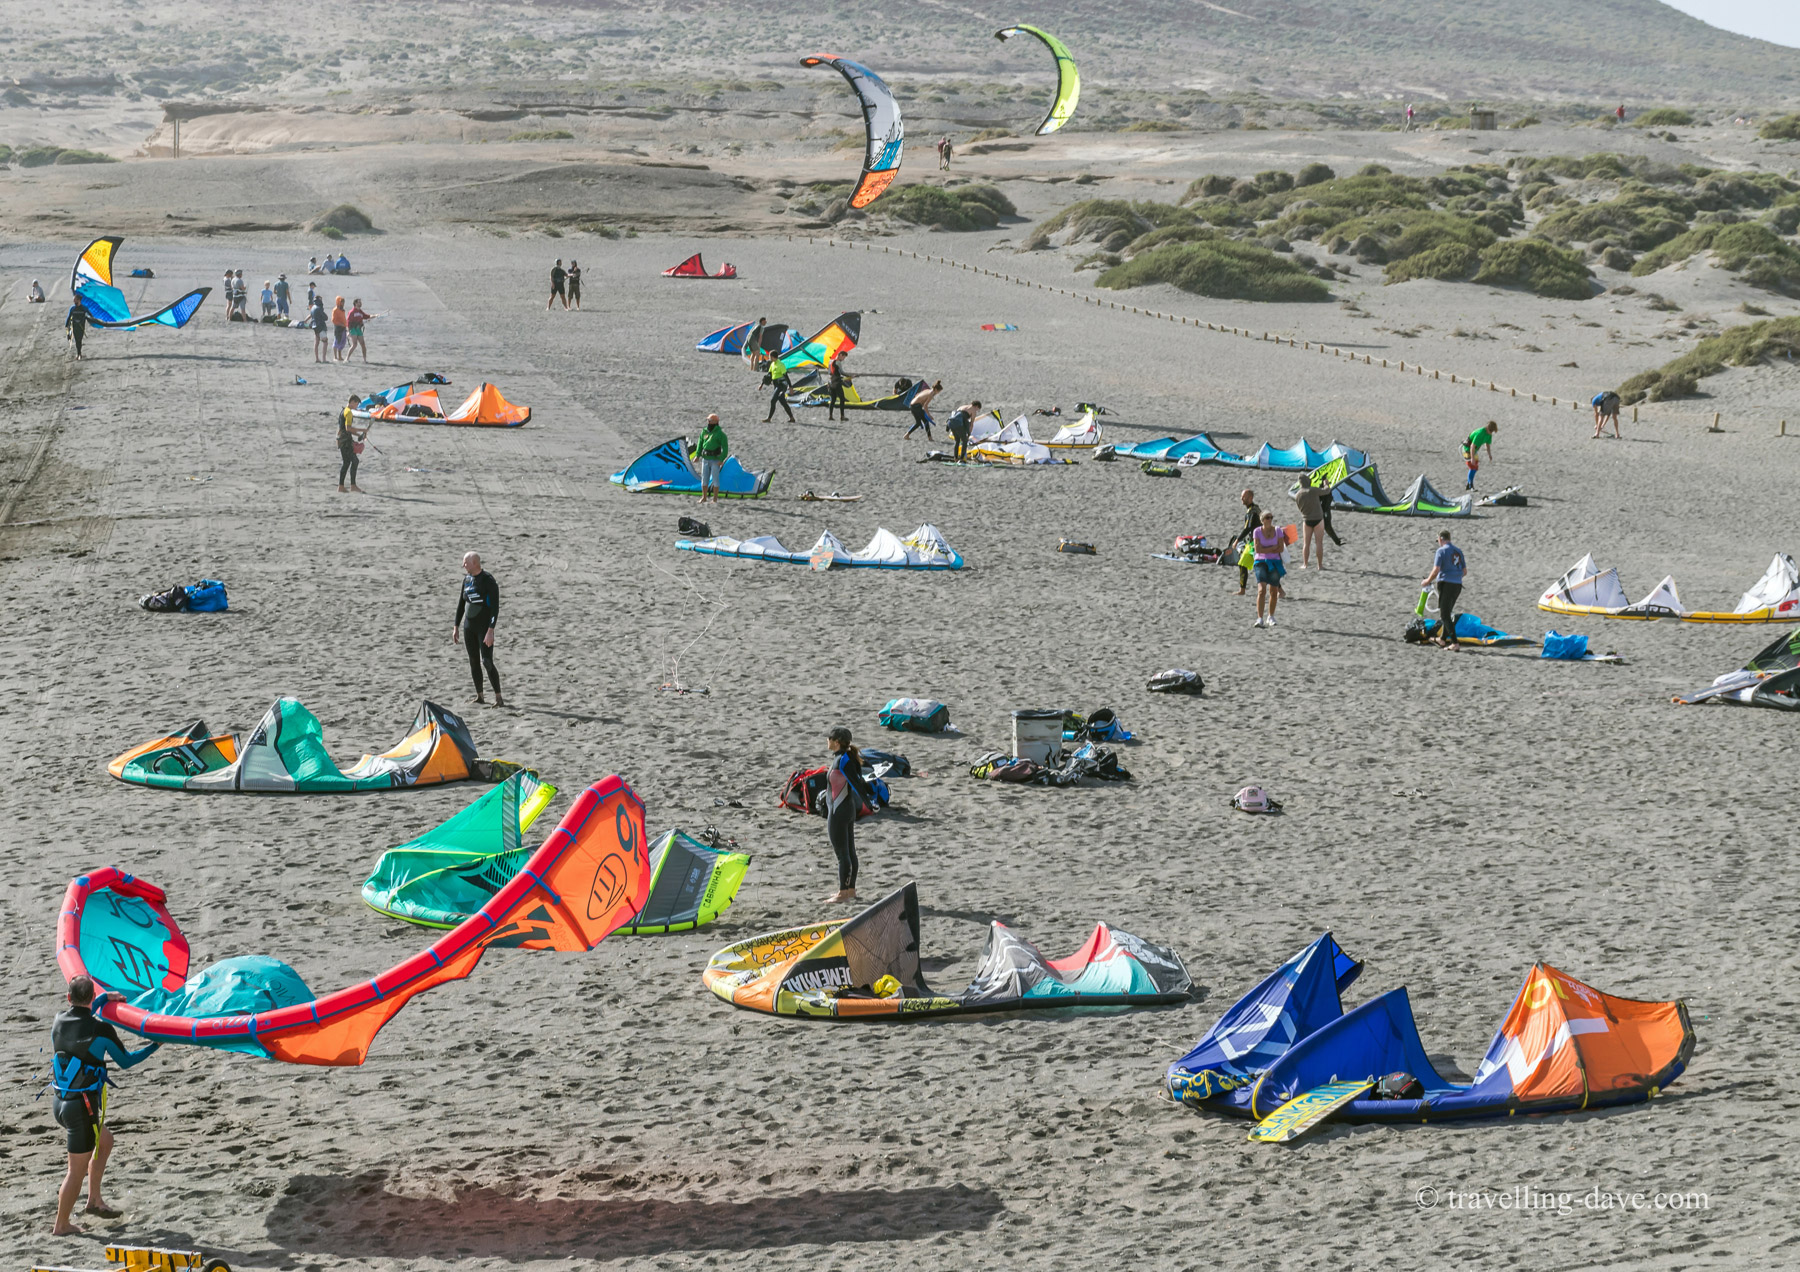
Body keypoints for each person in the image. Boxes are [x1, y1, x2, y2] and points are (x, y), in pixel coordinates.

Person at [49, 976, 159, 1236]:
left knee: (105, 1140)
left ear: (68, 998)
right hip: (81, 1109)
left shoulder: (57, 1020)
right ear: (90, 999)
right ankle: (61, 1225)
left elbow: (82, 1014)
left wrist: (102, 998)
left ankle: (94, 1201)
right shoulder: (102, 1030)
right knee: (75, 1172)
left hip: (61, 1104)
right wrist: (155, 1045)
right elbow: (127, 1061)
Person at [822, 726, 876, 904]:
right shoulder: (846, 758)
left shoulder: (843, 760)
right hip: (846, 810)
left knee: (842, 854)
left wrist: (869, 804)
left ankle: (843, 893)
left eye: (829, 738)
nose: (827, 741)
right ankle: (850, 890)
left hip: (839, 812)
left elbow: (856, 783)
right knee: (850, 852)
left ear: (836, 742)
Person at [452, 552, 504, 706]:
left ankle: (498, 697)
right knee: (473, 661)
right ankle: (480, 696)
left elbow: (495, 608)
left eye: (465, 563)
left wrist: (491, 630)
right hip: (469, 627)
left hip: (484, 627)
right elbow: (461, 605)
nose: (463, 566)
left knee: (487, 661)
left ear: (474, 563)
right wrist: (456, 626)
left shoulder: (488, 581)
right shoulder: (466, 580)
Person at [1422, 529, 1467, 651]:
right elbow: (1464, 572)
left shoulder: (1441, 551)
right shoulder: (1458, 551)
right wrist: (1455, 577)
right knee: (1447, 612)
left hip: (1446, 584)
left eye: (1438, 540)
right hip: (1457, 585)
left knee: (1445, 615)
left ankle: (1454, 643)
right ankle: (1442, 639)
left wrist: (1427, 581)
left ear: (1441, 539)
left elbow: (1436, 569)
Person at [1251, 511, 1286, 628]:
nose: (1270, 519)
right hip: (1260, 562)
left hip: (1275, 562)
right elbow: (1258, 549)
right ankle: (1259, 618)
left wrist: (1267, 549)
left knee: (1274, 591)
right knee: (1261, 590)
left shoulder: (1278, 531)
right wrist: (1272, 548)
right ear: (1262, 520)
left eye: (1271, 517)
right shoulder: (1257, 531)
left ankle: (1270, 616)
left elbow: (1280, 548)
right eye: (1267, 517)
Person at [1226, 488, 1261, 595]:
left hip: (1257, 543)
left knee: (1263, 567)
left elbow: (1248, 528)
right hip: (1253, 543)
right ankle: (1242, 590)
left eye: (1244, 497)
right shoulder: (1254, 509)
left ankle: (1279, 590)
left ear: (1250, 498)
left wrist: (1237, 540)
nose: (1242, 498)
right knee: (1243, 564)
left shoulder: (1253, 512)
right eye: (1241, 496)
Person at [1292, 480, 1327, 569]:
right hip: (1318, 519)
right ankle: (1320, 565)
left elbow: (1299, 507)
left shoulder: (1298, 494)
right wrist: (1326, 484)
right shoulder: (1313, 490)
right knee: (1319, 543)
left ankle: (1305, 564)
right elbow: (1326, 491)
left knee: (1306, 544)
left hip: (1306, 519)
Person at [695, 413, 729, 503]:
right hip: (705, 458)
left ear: (716, 422)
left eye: (710, 421)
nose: (708, 422)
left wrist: (721, 459)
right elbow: (700, 443)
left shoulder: (720, 434)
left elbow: (725, 448)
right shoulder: (704, 431)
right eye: (708, 420)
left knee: (715, 479)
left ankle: (715, 499)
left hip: (715, 459)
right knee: (704, 478)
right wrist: (697, 455)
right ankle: (704, 497)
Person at [336, 394, 366, 493]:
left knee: (348, 462)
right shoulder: (348, 412)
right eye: (357, 404)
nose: (357, 406)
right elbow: (348, 428)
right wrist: (361, 431)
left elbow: (342, 428)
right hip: (345, 442)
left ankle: (343, 486)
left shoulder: (343, 410)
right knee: (352, 462)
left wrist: (358, 434)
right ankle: (350, 486)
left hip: (342, 439)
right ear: (352, 402)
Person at [1463, 419, 1497, 490]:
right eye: (1490, 431)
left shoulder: (1489, 435)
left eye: (1492, 432)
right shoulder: (1480, 433)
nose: (1491, 433)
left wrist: (1489, 454)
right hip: (1467, 449)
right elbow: (1472, 446)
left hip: (1474, 450)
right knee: (1473, 466)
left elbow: (1487, 445)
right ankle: (1470, 485)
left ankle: (1469, 483)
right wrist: (1472, 458)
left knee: (1475, 467)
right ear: (1487, 428)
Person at [762, 359, 795, 423]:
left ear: (772, 357)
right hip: (776, 386)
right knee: (783, 402)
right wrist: (762, 384)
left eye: (770, 357)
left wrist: (790, 387)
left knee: (773, 400)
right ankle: (792, 418)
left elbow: (786, 376)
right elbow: (768, 375)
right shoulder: (772, 364)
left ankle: (769, 418)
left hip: (781, 386)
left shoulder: (781, 365)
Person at [825, 354, 851, 421]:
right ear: (840, 355)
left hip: (831, 383)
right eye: (843, 357)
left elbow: (829, 373)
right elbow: (841, 372)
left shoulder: (830, 362)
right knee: (842, 399)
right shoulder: (838, 362)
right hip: (837, 383)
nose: (843, 359)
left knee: (832, 400)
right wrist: (850, 376)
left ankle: (830, 416)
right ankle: (842, 416)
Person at [347, 298, 369, 362]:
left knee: (363, 344)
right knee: (354, 344)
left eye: (360, 302)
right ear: (355, 303)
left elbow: (366, 316)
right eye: (359, 302)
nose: (360, 303)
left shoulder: (360, 311)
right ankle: (347, 358)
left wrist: (375, 315)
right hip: (353, 329)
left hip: (358, 329)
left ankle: (365, 360)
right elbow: (348, 322)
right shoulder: (351, 312)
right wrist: (348, 331)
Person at [309, 294, 329, 362]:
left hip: (314, 326)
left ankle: (317, 358)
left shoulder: (313, 307)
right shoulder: (319, 307)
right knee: (325, 341)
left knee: (316, 342)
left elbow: (311, 315)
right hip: (320, 325)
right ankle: (324, 359)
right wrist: (326, 317)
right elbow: (325, 317)